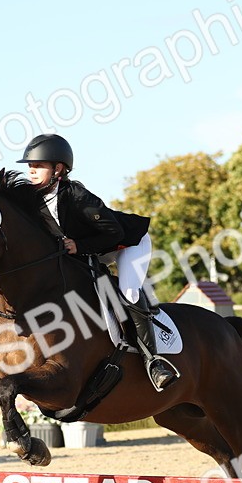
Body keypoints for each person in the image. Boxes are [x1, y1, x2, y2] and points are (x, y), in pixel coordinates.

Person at [18, 133, 179, 391]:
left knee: (128, 291)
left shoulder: (78, 196)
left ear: (58, 169)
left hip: (127, 243)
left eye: (38, 166)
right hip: (91, 247)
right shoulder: (34, 201)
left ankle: (153, 361)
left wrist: (79, 245)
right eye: (30, 166)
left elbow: (113, 232)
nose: (32, 171)